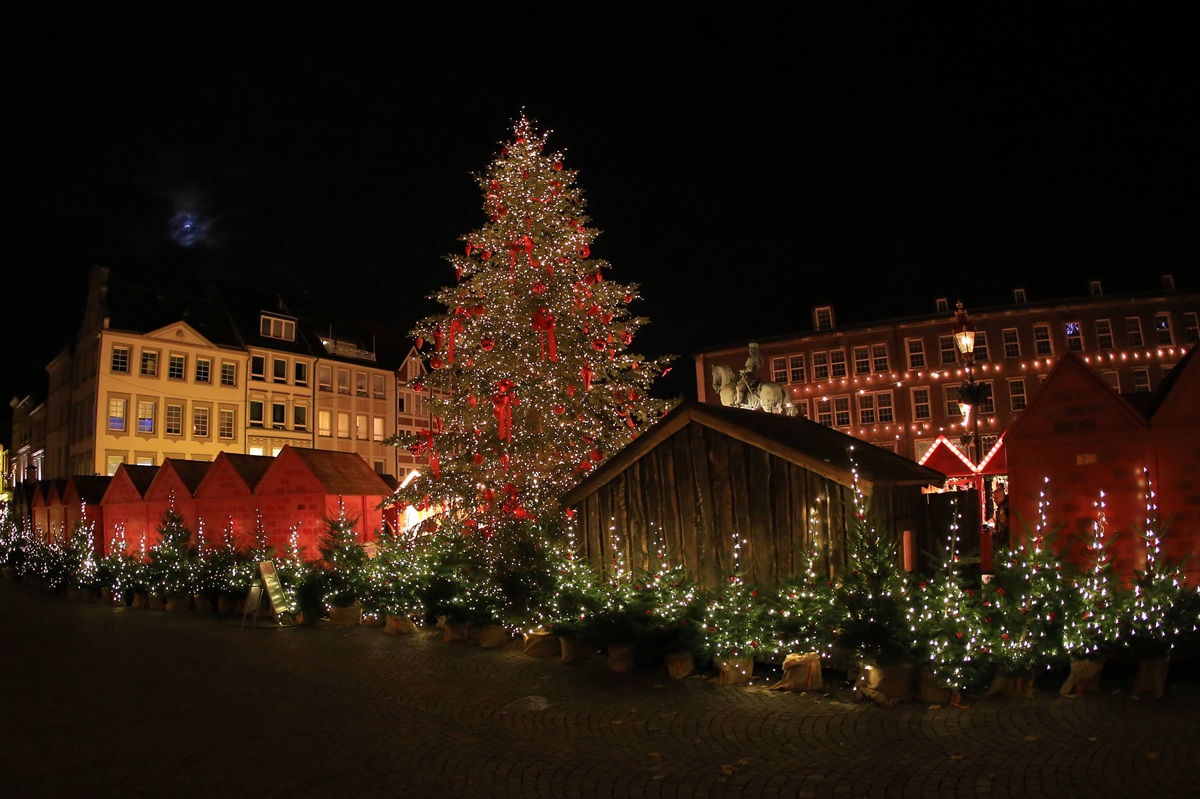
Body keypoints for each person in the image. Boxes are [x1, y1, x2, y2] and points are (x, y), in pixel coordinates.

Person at [989, 486, 1010, 551]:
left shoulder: (1004, 508)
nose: (994, 501)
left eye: (996, 498)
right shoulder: (1002, 507)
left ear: (1001, 496)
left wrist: (994, 533)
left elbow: (1003, 528)